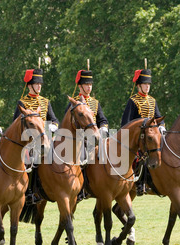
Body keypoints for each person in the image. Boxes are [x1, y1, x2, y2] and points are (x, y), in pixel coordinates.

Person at [13, 68, 59, 204]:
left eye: (40, 84)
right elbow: (15, 123)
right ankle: (31, 191)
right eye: (36, 84)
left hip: (46, 139)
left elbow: (54, 119)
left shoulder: (45, 102)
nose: (39, 86)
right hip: (29, 142)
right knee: (31, 160)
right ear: (29, 86)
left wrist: (54, 126)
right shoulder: (22, 103)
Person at [121, 67, 165, 196]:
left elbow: (158, 116)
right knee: (139, 158)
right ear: (139, 85)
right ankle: (139, 183)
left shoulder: (152, 100)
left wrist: (161, 125)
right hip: (138, 138)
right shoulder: (133, 101)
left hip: (152, 135)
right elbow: (126, 122)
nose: (147, 87)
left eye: (148, 84)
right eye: (145, 84)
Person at [66, 69, 109, 201]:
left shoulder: (95, 103)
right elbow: (68, 122)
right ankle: (81, 188)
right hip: (80, 138)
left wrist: (103, 128)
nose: (89, 87)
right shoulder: (74, 103)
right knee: (82, 159)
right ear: (80, 86)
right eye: (86, 84)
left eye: (90, 84)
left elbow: (103, 119)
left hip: (95, 137)